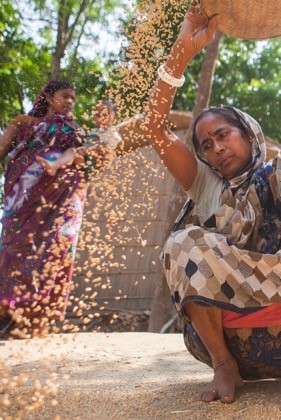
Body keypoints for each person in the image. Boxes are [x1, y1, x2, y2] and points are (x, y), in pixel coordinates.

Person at [144, 0, 281, 404]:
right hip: (234, 333)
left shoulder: (275, 171)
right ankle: (225, 366)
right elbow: (154, 125)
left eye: (224, 134)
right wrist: (182, 51)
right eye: (207, 145)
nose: (217, 148)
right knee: (183, 241)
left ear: (248, 133)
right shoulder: (208, 186)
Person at [0, 80, 108, 339]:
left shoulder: (77, 131)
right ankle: (8, 311)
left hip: (63, 203)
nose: (70, 101)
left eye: (74, 97)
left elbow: (86, 158)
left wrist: (65, 161)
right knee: (17, 250)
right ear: (48, 97)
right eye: (65, 95)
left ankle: (36, 317)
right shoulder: (25, 123)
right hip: (23, 203)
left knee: (54, 250)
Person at [36, 99, 121, 176]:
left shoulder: (111, 133)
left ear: (114, 117)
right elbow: (85, 143)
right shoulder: (93, 131)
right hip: (83, 159)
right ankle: (55, 165)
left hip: (94, 162)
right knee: (72, 151)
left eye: (105, 114)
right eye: (98, 115)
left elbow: (104, 149)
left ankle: (56, 165)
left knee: (75, 153)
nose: (101, 118)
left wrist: (89, 151)